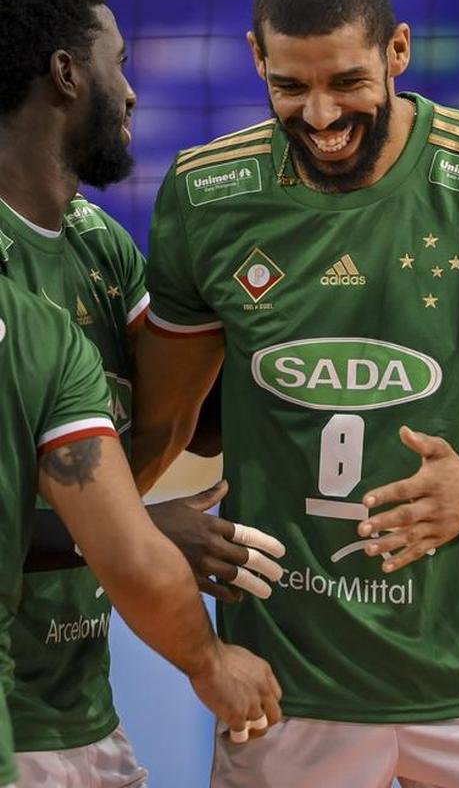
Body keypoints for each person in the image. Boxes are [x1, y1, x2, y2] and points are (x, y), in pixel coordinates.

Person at [133, 0, 459, 788]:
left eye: (347, 82)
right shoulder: (207, 195)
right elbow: (161, 428)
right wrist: (108, 533)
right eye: (290, 86)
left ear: (398, 50)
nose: (320, 115)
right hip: (286, 686)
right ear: (256, 59)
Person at [0, 0, 285, 787]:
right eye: (116, 64)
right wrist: (140, 535)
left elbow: (196, 414)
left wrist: (258, 279)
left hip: (85, 704)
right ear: (66, 73)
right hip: (15, 715)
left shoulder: (97, 244)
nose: (129, 93)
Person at [0, 275, 282, 788]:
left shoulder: (78, 284)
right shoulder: (34, 327)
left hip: (83, 708)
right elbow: (129, 552)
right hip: (19, 714)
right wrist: (210, 661)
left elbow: (195, 425)